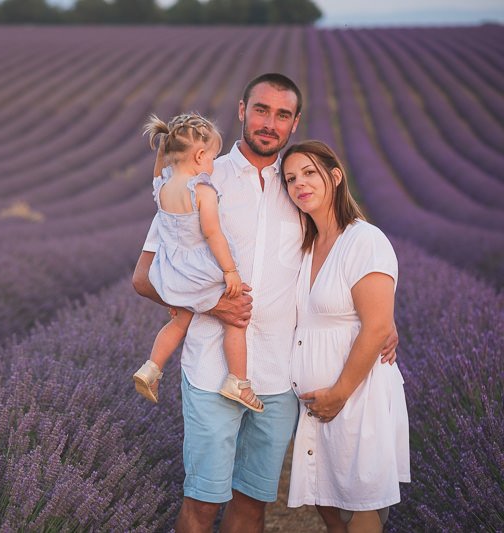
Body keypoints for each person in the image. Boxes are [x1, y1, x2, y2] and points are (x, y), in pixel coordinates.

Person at [132, 73, 399, 533]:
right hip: (211, 371)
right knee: (201, 503)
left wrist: (381, 323)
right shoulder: (201, 179)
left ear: (295, 123)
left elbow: (338, 266)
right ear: (241, 110)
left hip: (278, 378)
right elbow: (144, 277)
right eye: (261, 109)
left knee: (252, 505)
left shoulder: (300, 190)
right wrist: (214, 305)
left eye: (282, 114)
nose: (269, 123)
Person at [282, 140, 410, 533]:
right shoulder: (306, 245)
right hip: (317, 401)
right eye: (290, 178)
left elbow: (375, 327)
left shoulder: (364, 241)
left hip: (357, 392)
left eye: (309, 173)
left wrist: (339, 392)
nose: (299, 183)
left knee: (360, 502)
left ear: (335, 177)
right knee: (325, 494)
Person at [132, 112, 263, 412]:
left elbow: (159, 170)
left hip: (171, 270)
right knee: (236, 315)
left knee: (180, 321)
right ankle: (237, 381)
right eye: (212, 158)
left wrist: (165, 152)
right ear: (200, 155)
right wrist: (230, 271)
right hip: (201, 271)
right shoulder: (202, 191)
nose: (213, 165)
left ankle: (152, 367)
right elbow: (213, 233)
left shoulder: (162, 187)